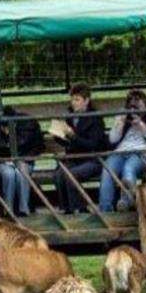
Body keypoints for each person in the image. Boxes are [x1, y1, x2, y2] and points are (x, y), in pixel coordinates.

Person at [100, 89, 146, 212]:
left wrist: (141, 124)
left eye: (137, 101)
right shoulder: (123, 113)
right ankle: (105, 210)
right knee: (107, 169)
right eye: (131, 102)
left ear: (144, 102)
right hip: (121, 152)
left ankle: (127, 203)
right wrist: (121, 123)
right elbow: (112, 140)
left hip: (143, 153)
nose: (134, 105)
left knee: (128, 168)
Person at [52, 83, 108, 214]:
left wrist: (73, 136)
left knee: (71, 175)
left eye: (77, 99)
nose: (73, 103)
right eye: (72, 99)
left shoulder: (95, 118)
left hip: (93, 159)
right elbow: (68, 143)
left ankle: (81, 209)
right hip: (74, 158)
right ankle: (66, 209)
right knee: (58, 174)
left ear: (86, 101)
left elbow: (92, 144)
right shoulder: (69, 116)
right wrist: (58, 136)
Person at [0, 106, 45, 217]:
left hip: (25, 160)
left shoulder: (28, 125)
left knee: (20, 172)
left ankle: (23, 210)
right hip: (6, 161)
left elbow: (37, 146)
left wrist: (23, 158)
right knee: (9, 174)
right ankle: (8, 210)